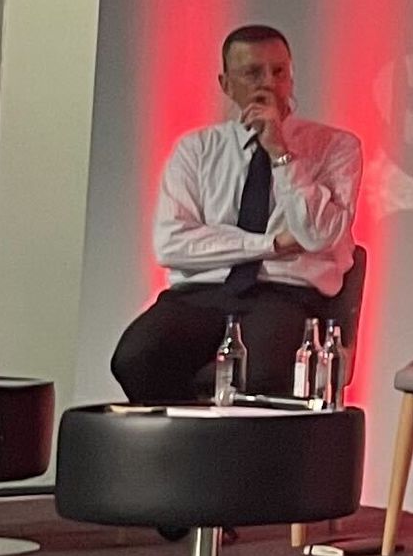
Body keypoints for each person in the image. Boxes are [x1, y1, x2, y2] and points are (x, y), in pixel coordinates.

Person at [113, 26, 362, 404]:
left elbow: (317, 235)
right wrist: (271, 244)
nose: (269, 84)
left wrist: (280, 153)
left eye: (279, 72)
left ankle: (241, 459)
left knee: (259, 373)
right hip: (201, 293)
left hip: (285, 293)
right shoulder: (196, 150)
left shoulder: (336, 147)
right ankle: (190, 452)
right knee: (136, 358)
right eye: (253, 73)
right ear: (226, 84)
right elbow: (172, 244)